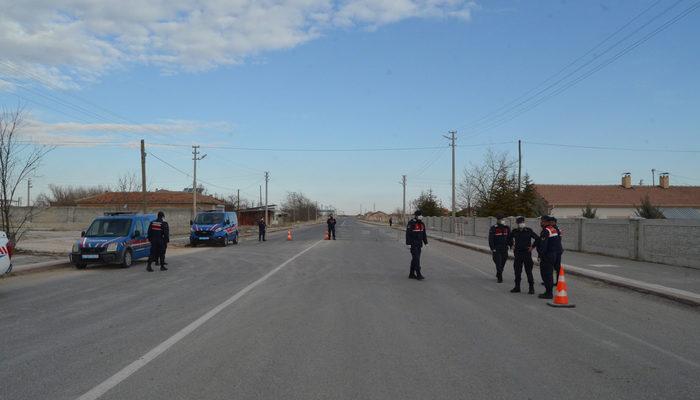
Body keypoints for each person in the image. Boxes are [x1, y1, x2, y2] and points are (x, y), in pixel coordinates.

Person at [507, 216, 540, 294]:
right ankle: (517, 287)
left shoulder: (528, 230)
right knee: (517, 271)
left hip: (526, 253)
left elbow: (537, 239)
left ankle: (531, 288)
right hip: (518, 253)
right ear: (517, 224)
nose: (521, 224)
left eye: (522, 222)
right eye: (519, 223)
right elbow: (508, 239)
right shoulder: (515, 231)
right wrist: (511, 245)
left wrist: (532, 247)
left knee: (529, 271)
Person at [537, 216, 563, 299]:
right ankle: (548, 291)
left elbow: (543, 245)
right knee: (549, 273)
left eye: (542, 221)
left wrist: (540, 255)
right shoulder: (553, 229)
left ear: (546, 222)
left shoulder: (546, 231)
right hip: (553, 254)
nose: (541, 223)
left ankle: (548, 293)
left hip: (547, 255)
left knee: (546, 274)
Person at [406, 210, 428, 280]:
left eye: (421, 215)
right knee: (417, 259)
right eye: (419, 215)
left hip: (419, 244)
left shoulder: (422, 224)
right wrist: (408, 243)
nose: (421, 216)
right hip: (413, 244)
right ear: (416, 216)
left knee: (415, 259)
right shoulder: (411, 223)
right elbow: (408, 234)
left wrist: (426, 242)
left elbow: (423, 234)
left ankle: (411, 274)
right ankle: (418, 274)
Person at [488, 214, 510, 283]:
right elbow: (491, 239)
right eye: (500, 219)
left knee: (503, 262)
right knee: (498, 262)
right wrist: (492, 248)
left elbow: (509, 238)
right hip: (497, 248)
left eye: (503, 219)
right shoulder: (494, 228)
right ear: (497, 220)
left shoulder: (507, 228)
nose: (502, 221)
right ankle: (500, 277)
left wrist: (511, 245)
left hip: (504, 248)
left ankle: (499, 272)